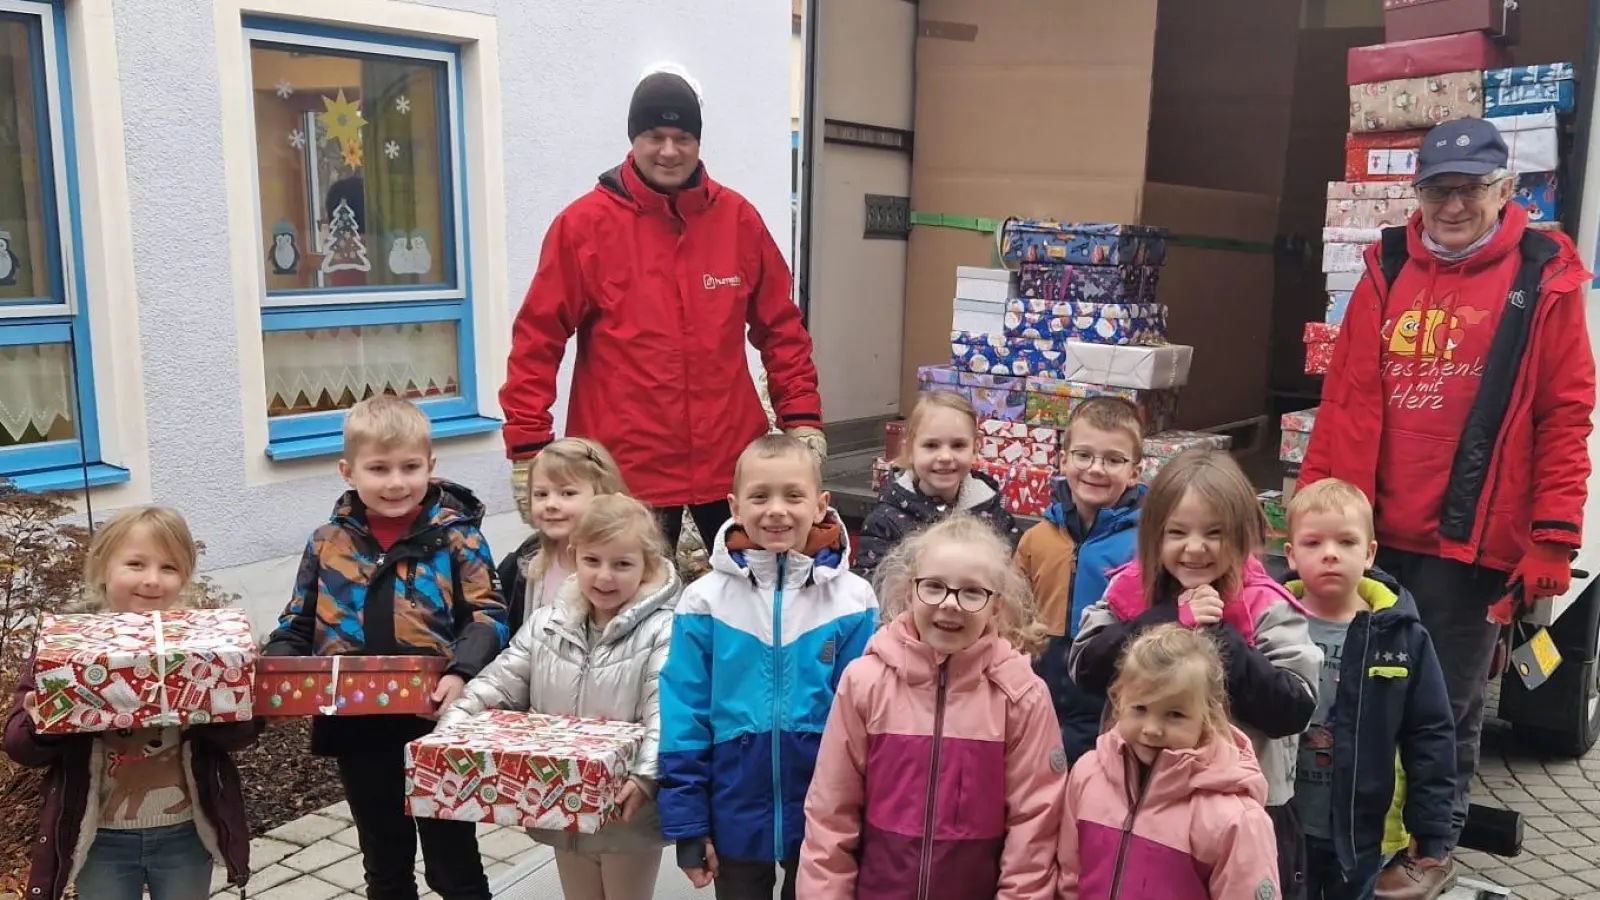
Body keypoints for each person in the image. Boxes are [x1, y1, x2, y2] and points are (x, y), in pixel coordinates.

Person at [1298, 116, 1596, 897]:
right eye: (1439, 188)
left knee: (1443, 705)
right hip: (1373, 530)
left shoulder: (1542, 278)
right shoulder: (1386, 266)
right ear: (1419, 193)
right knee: (1355, 687)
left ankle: (1433, 843)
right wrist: (1317, 509)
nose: (1454, 204)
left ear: (1504, 190)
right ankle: (1354, 826)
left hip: (1470, 542)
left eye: (1471, 188)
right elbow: (1345, 399)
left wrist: (1554, 536)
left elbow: (1565, 415)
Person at [500, 64, 826, 551]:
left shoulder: (737, 220)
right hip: (626, 468)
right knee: (629, 607)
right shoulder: (583, 226)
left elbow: (782, 329)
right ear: (634, 138)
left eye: (682, 137)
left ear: (698, 141)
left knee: (751, 599)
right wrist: (528, 446)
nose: (669, 151)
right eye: (655, 136)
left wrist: (801, 419)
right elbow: (537, 340)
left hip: (730, 461)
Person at [261, 395, 508, 900]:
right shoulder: (327, 542)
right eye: (379, 468)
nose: (396, 482)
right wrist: (278, 673)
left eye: (409, 467)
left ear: (430, 467)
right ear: (347, 470)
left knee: (453, 861)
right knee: (384, 859)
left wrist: (461, 673)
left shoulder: (458, 540)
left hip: (438, 719)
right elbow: (298, 621)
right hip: (357, 725)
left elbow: (489, 617)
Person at [1070, 449, 1321, 900]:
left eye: (1215, 533)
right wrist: (1167, 618)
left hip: (1234, 817)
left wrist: (1219, 637)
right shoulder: (1129, 590)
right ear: (1154, 535)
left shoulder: (1267, 606)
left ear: (1243, 537)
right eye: (1178, 533)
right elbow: (1084, 668)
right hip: (1134, 808)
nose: (1195, 548)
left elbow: (1294, 707)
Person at [657, 433, 878, 900]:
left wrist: (867, 811)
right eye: (760, 496)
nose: (776, 509)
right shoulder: (705, 602)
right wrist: (689, 822)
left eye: (792, 495)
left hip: (825, 807)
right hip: (733, 805)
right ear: (735, 507)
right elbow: (684, 714)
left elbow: (868, 717)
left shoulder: (853, 600)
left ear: (821, 505)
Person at [799, 514, 1063, 900]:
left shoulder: (1021, 695)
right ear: (909, 593)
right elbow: (830, 811)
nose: (950, 605)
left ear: (996, 606)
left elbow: (1034, 829)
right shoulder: (865, 683)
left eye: (972, 592)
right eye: (934, 587)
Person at [3, 507, 258, 900]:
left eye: (169, 567)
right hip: (98, 837)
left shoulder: (205, 650)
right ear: (103, 568)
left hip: (185, 833)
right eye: (136, 564)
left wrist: (241, 699)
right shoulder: (64, 650)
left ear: (185, 576)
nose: (152, 580)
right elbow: (19, 744)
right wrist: (44, 720)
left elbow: (235, 736)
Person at [444, 495, 680, 900]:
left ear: (648, 566)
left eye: (622, 564)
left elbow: (667, 709)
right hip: (562, 801)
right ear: (575, 557)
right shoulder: (548, 623)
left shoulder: (663, 630)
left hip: (627, 807)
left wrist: (645, 777)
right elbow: (502, 679)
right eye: (593, 561)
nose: (604, 576)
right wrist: (455, 723)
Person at [1282, 479, 1456, 900]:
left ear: (1370, 553)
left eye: (1346, 541)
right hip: (1282, 821)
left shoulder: (1400, 636)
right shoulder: (1270, 623)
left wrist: (1431, 827)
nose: (1330, 553)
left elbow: (1430, 731)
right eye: (1312, 542)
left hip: (1362, 829)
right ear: (1290, 554)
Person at [1060, 624, 1280, 900]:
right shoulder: (1088, 775)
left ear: (1208, 716)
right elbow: (1070, 876)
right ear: (1118, 702)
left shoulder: (1235, 819)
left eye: (1174, 714)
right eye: (1139, 708)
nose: (1152, 729)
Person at [1014, 396, 1145, 764]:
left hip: (1112, 689)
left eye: (1113, 460)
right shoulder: (1036, 539)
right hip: (1042, 684)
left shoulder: (1146, 543)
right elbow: (1012, 612)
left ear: (1134, 471)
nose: (1096, 469)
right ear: (1063, 459)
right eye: (1084, 455)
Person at [853, 390, 1021, 580]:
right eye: (931, 445)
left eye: (958, 445)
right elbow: (868, 588)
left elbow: (1011, 584)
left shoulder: (994, 517)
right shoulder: (886, 521)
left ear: (975, 449)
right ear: (910, 450)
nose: (945, 457)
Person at [494, 437, 630, 636]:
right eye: (541, 494)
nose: (551, 504)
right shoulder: (523, 565)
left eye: (567, 493)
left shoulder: (627, 564)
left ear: (602, 495)